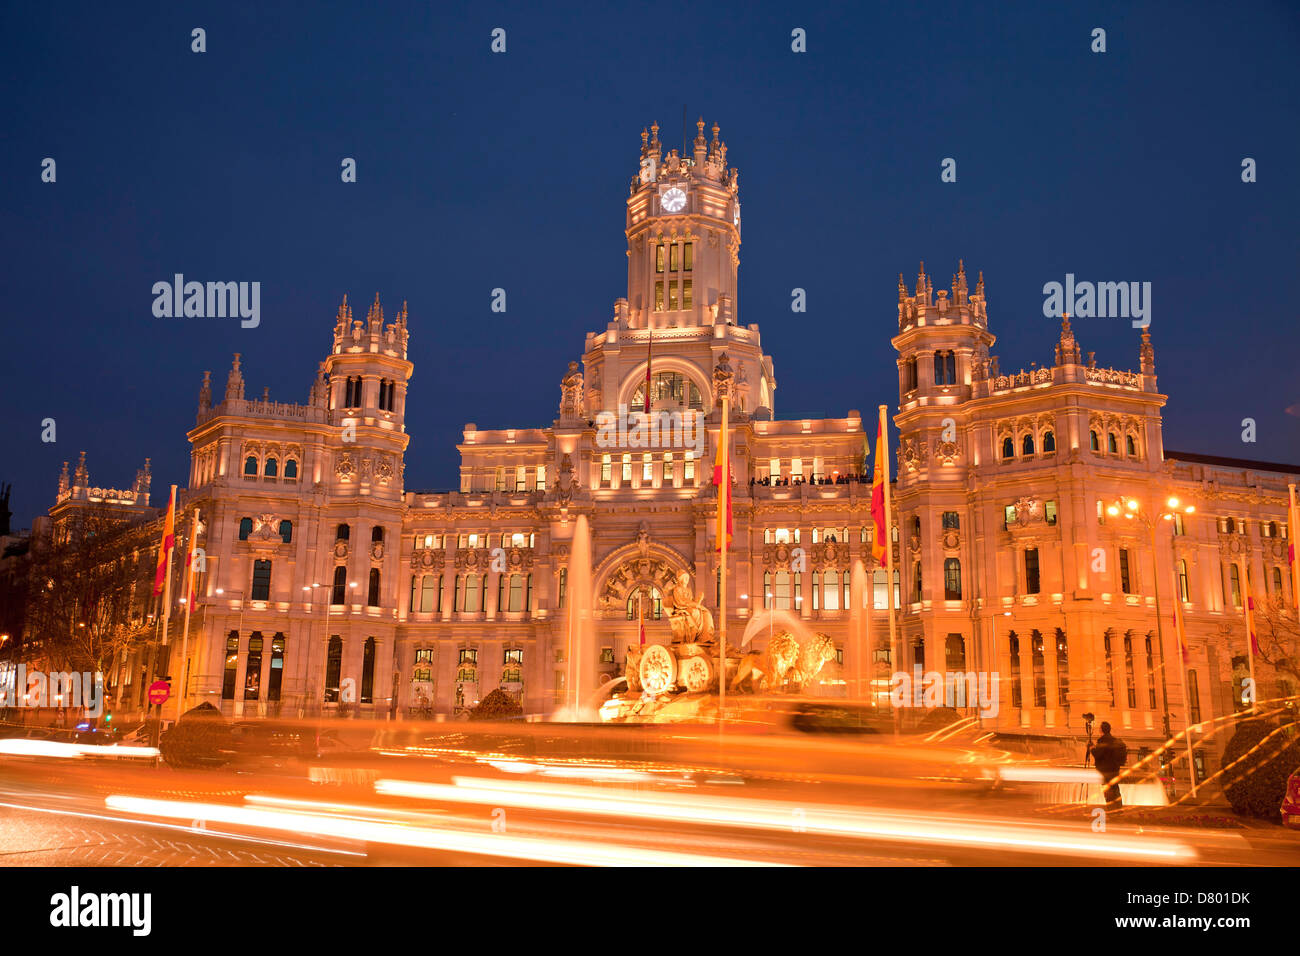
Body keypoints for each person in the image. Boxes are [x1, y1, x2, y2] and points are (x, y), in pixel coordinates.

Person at [1089, 721, 1128, 807]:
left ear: (1101, 730)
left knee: (1108, 790)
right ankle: (1118, 806)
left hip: (1105, 771)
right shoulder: (1114, 740)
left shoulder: (1103, 740)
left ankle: (1111, 807)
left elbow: (1097, 754)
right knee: (1115, 788)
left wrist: (1091, 748)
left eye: (1100, 728)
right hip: (1115, 770)